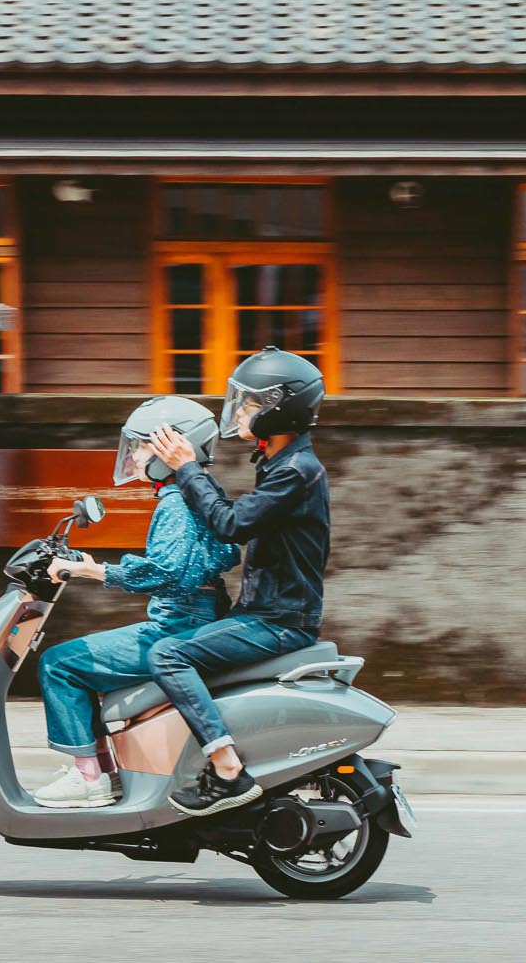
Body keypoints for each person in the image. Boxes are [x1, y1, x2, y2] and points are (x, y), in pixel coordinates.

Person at [142, 345, 330, 817]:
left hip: (279, 620)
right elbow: (234, 523)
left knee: (166, 654)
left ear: (279, 407)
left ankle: (227, 769)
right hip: (267, 612)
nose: (241, 410)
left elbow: (230, 524)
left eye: (250, 402)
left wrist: (186, 467)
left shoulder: (295, 472)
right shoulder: (281, 466)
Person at [30, 395, 239, 809]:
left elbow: (166, 572)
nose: (137, 455)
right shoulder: (201, 493)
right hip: (197, 618)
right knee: (79, 662)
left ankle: (89, 777)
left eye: (143, 445)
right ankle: (104, 770)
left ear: (169, 446)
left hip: (176, 627)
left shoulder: (177, 503)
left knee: (59, 663)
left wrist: (95, 571)